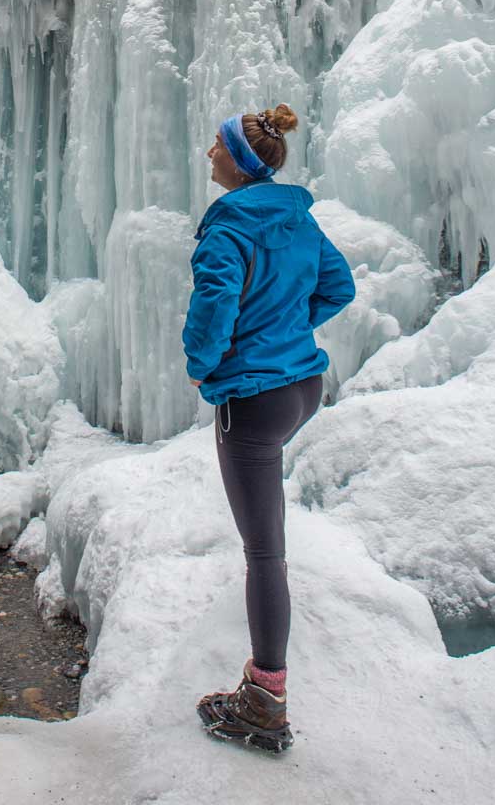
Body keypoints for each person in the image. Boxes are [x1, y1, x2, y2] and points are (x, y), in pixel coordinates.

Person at [183, 103, 355, 754]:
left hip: (252, 400)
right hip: (301, 388)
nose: (209, 155)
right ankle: (264, 690)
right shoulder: (297, 217)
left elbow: (215, 308)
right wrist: (284, 330)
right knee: (268, 540)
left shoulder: (226, 231)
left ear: (238, 161)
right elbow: (337, 287)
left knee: (264, 552)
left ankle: (264, 700)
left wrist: (206, 366)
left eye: (217, 148)